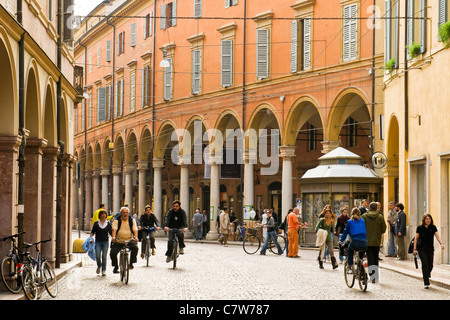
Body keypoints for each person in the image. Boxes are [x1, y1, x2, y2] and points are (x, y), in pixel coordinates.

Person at [413, 214, 445, 289]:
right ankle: (426, 282)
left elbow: (437, 236)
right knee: (425, 264)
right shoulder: (420, 228)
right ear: (424, 220)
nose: (428, 220)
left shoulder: (433, 227)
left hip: (430, 248)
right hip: (421, 249)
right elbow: (416, 239)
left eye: (429, 219)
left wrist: (441, 243)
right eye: (427, 219)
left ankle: (427, 274)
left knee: (430, 265)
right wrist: (415, 248)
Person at [361, 202, 386, 283]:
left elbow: (361, 228)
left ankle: (372, 276)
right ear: (376, 208)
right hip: (376, 241)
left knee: (370, 258)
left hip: (367, 241)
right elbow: (383, 229)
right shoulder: (380, 217)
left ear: (369, 207)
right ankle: (376, 276)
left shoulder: (364, 216)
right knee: (375, 258)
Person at [110, 207, 139, 273]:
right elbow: (114, 229)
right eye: (123, 213)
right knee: (113, 253)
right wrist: (113, 237)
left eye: (126, 213)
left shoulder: (132, 220)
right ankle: (116, 266)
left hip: (129, 240)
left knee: (135, 248)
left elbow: (135, 229)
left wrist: (136, 237)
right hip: (119, 240)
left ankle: (131, 263)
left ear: (128, 213)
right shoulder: (117, 221)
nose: (125, 214)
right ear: (120, 213)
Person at [90, 209, 112, 276]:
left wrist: (115, 238)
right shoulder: (96, 223)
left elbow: (111, 233)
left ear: (106, 215)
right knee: (98, 256)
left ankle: (104, 270)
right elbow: (92, 232)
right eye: (102, 214)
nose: (103, 215)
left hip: (105, 242)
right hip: (98, 242)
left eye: (104, 214)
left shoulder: (108, 223)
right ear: (100, 215)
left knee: (104, 256)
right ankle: (99, 265)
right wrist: (90, 239)